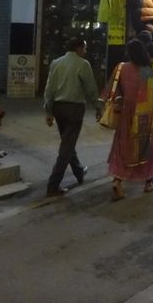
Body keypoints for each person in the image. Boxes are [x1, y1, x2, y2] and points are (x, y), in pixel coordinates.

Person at [44, 38, 101, 197]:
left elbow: (49, 88)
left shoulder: (56, 63)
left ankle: (79, 171)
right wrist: (98, 106)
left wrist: (48, 111)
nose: (85, 51)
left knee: (68, 142)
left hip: (58, 108)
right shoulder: (83, 64)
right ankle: (53, 185)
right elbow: (91, 89)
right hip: (74, 109)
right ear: (78, 48)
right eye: (84, 48)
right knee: (67, 146)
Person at [108, 39, 153, 201]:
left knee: (124, 148)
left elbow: (113, 92)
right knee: (148, 149)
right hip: (146, 117)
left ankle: (118, 181)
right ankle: (149, 182)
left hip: (126, 116)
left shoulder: (121, 68)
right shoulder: (147, 71)